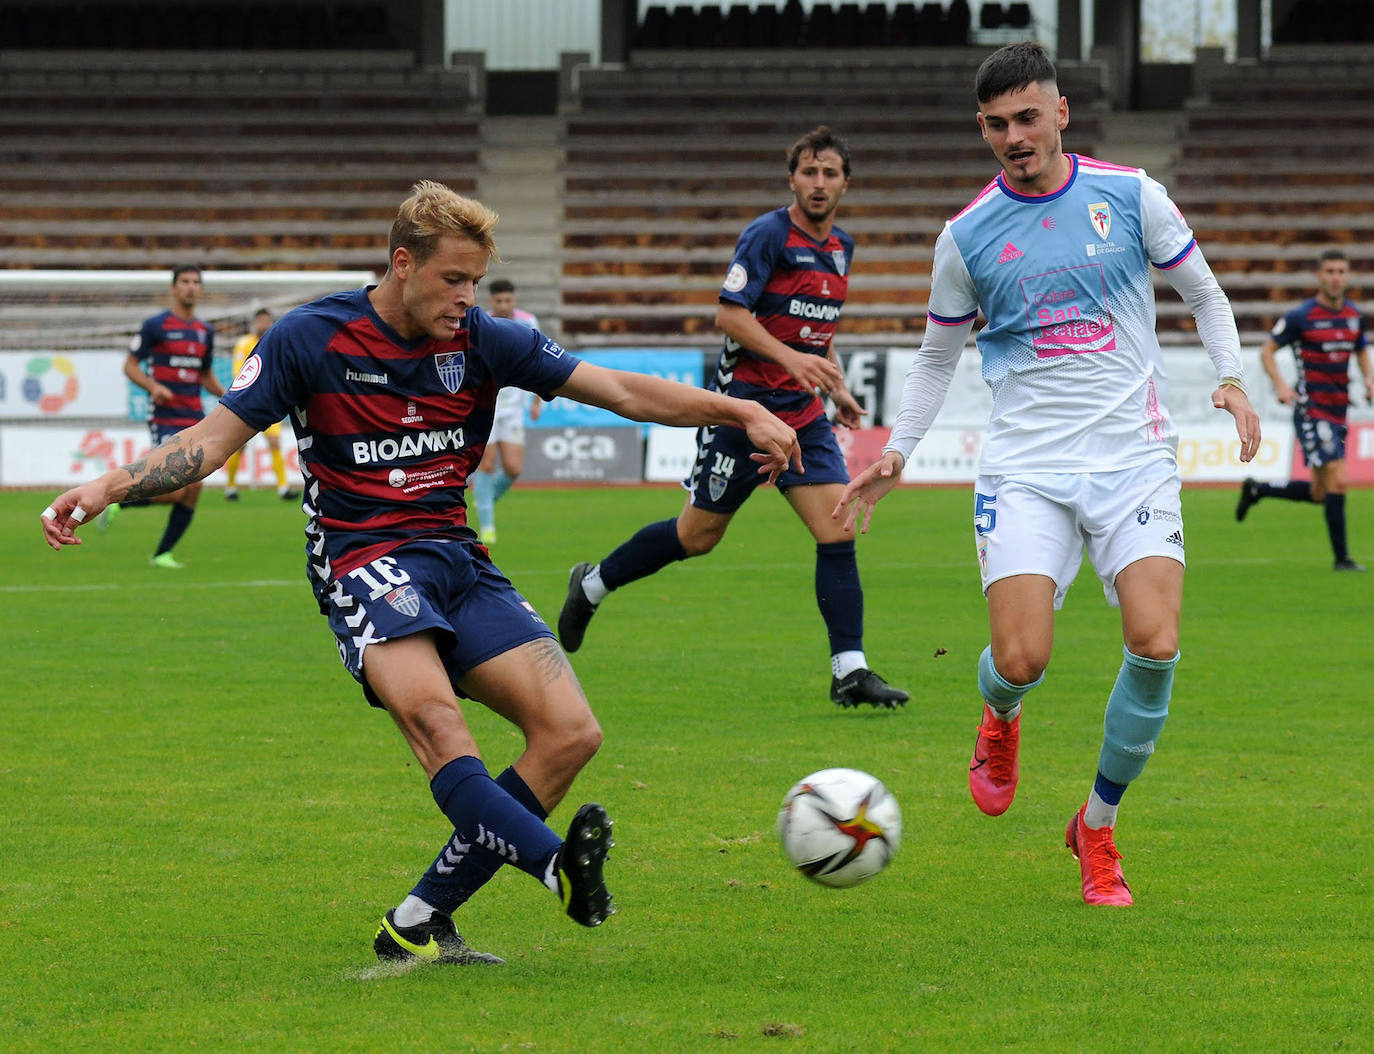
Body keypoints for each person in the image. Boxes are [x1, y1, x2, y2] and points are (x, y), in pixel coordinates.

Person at [41, 180, 800, 965]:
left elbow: (617, 389)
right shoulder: (310, 338)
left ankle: (416, 923)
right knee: (442, 727)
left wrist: (738, 410)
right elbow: (210, 441)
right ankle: (552, 866)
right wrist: (106, 487)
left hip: (456, 558)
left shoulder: (483, 338)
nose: (467, 298)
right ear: (402, 263)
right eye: (453, 279)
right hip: (361, 558)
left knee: (570, 734)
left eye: (475, 282)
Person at [834, 42, 1260, 905]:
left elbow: (1205, 297)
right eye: (996, 125)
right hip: (1027, 468)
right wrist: (899, 450)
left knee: (1156, 641)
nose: (1013, 137)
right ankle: (1001, 714)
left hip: (1133, 460)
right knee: (1022, 659)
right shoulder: (967, 236)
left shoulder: (1132, 196)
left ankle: (1096, 828)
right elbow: (932, 360)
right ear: (982, 129)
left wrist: (1230, 376)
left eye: (1028, 117)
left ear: (1061, 112)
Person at [557, 126, 910, 710]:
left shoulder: (841, 247)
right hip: (742, 411)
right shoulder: (768, 235)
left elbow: (816, 332)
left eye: (830, 173)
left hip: (802, 415)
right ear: (792, 178)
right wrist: (794, 358)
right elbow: (730, 315)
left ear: (846, 182)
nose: (818, 183)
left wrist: (837, 387)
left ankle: (850, 670)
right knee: (697, 537)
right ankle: (592, 584)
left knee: (837, 526)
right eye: (808, 172)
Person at [1236, 249, 1371, 570]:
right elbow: (1267, 351)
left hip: (1339, 410)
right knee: (1339, 480)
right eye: (1330, 271)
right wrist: (1281, 386)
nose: (1335, 277)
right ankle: (1343, 560)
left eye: (1341, 271)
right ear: (1319, 276)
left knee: (1321, 493)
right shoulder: (1301, 316)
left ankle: (1259, 489)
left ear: (1347, 276)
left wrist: (1369, 379)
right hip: (1312, 410)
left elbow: (1361, 350)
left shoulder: (1353, 315)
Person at [97, 265, 224, 568]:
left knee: (194, 488)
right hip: (165, 417)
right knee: (174, 487)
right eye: (185, 282)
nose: (191, 287)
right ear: (174, 287)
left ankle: (162, 553)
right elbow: (130, 366)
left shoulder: (205, 332)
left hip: (195, 415)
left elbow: (204, 374)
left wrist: (228, 395)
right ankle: (120, 501)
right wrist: (153, 386)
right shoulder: (156, 325)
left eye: (196, 282)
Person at [470, 278, 542, 543]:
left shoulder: (528, 322)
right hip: (487, 404)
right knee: (486, 464)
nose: (503, 305)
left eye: (507, 300)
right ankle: (488, 527)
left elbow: (538, 363)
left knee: (513, 468)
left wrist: (536, 401)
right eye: (498, 301)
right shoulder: (481, 324)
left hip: (513, 408)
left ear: (514, 300)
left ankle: (485, 500)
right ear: (492, 302)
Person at [224, 307, 301, 503]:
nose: (264, 325)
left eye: (267, 321)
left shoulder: (275, 342)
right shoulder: (244, 344)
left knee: (275, 443)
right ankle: (230, 487)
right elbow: (238, 373)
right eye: (261, 321)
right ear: (255, 323)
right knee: (238, 447)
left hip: (269, 401)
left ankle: (283, 488)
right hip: (245, 401)